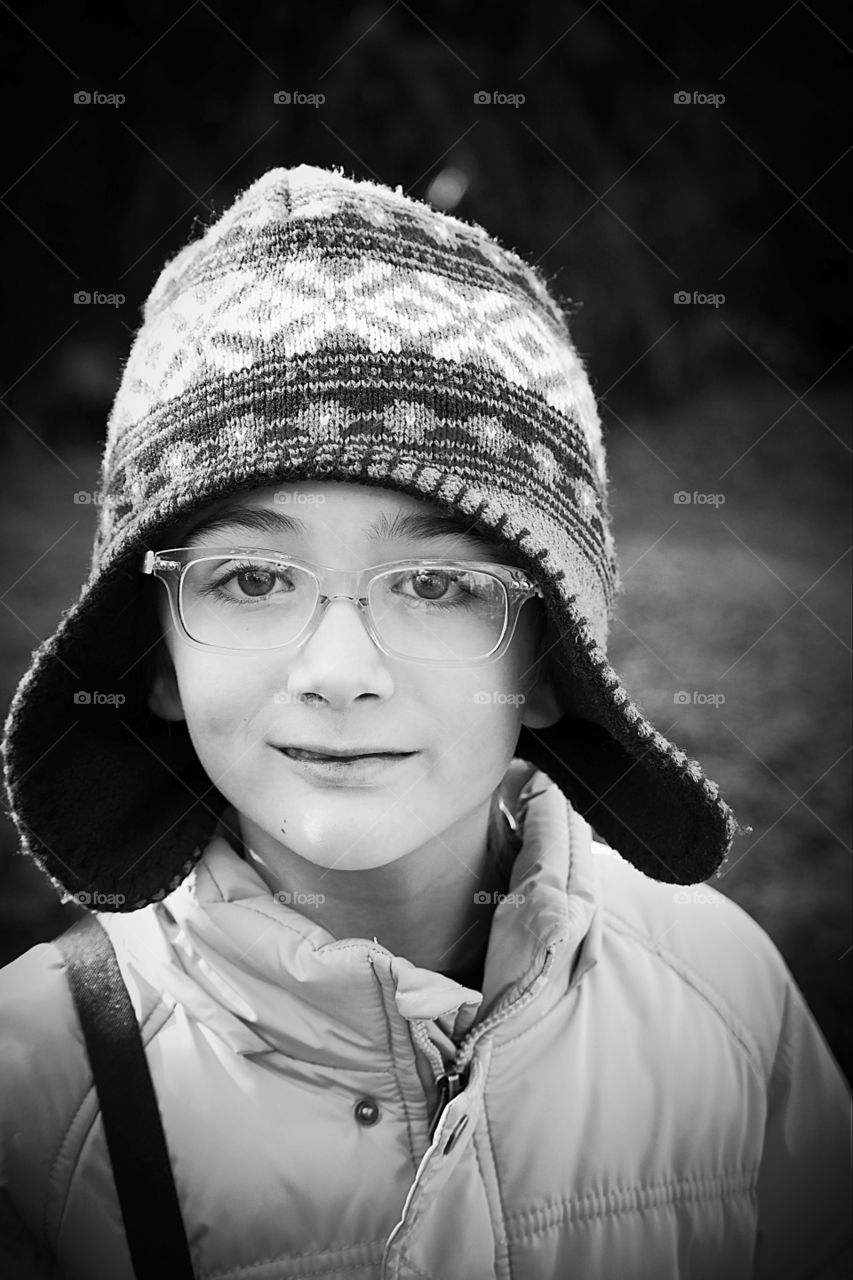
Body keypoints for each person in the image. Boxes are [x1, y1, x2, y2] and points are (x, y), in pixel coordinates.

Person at [0, 164, 849, 1280]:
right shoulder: (33, 1084)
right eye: (252, 578)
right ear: (154, 653)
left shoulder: (723, 994)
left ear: (549, 663)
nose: (339, 672)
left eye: (439, 586)